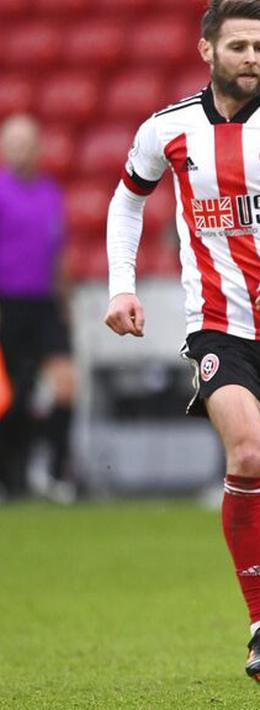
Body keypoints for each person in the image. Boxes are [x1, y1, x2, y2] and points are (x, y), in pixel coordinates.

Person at [103, 0, 260, 682]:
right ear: (207, 49)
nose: (252, 57)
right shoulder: (167, 128)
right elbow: (127, 200)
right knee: (246, 456)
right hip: (216, 322)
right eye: (239, 45)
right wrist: (121, 286)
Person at [0, 115, 77, 503]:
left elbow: (58, 252)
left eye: (27, 144)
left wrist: (64, 303)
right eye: (14, 144)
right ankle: (10, 475)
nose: (21, 152)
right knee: (11, 395)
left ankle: (54, 471)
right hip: (7, 304)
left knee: (65, 384)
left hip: (45, 303)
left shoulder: (50, 192)